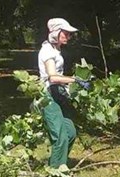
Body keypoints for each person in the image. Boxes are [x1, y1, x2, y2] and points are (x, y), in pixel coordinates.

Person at [37, 18, 91, 168]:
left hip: (58, 94)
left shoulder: (56, 50)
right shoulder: (47, 51)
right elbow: (53, 77)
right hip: (48, 96)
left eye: (69, 34)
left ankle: (58, 164)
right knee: (60, 137)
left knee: (70, 132)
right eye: (65, 33)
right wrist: (76, 80)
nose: (68, 36)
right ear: (55, 33)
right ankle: (55, 173)